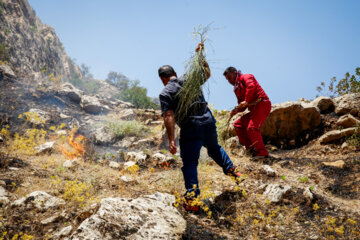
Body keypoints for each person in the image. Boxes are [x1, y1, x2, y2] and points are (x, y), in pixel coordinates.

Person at [158, 45, 241, 211]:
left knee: (189, 164)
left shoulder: (166, 91)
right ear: (174, 73)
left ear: (163, 78)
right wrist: (200, 56)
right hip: (208, 121)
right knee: (214, 149)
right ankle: (233, 171)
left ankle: (192, 200)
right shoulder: (189, 78)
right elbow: (207, 72)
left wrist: (172, 139)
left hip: (191, 127)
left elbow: (169, 116)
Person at [223, 67, 271, 160]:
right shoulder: (236, 89)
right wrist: (235, 110)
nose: (229, 81)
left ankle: (262, 154)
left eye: (229, 77)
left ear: (235, 73)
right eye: (227, 79)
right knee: (238, 125)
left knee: (252, 128)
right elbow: (243, 106)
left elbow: (251, 87)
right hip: (254, 109)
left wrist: (247, 100)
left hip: (262, 104)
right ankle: (251, 149)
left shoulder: (246, 77)